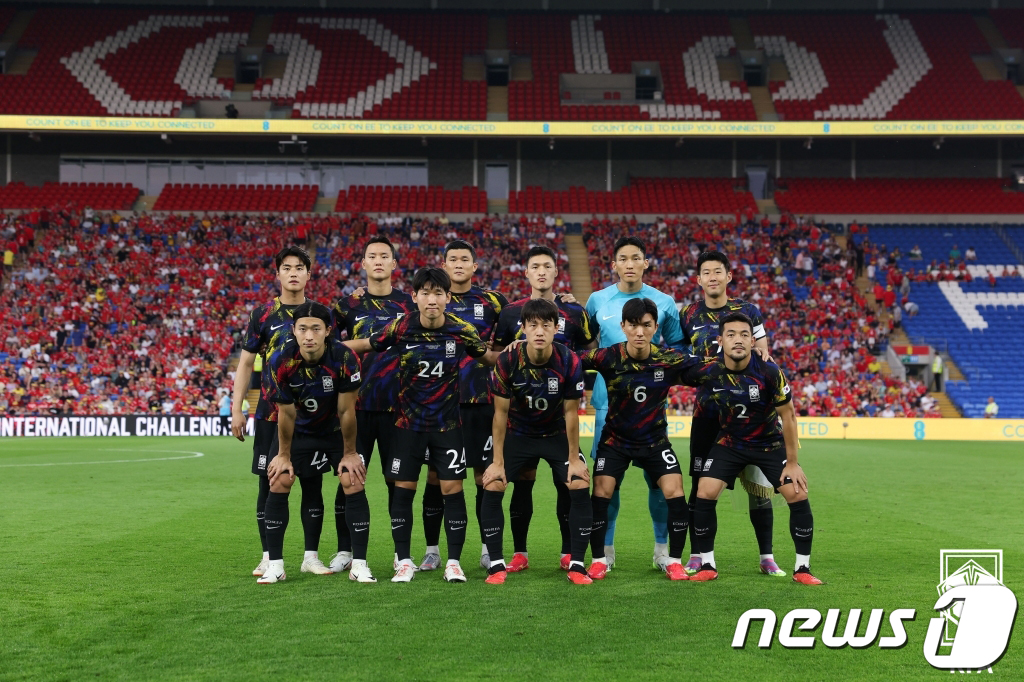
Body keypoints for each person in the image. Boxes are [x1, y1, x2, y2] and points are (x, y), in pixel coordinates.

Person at [343, 267, 501, 583]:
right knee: (403, 492)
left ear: (447, 298)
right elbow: (368, 345)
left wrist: (522, 352)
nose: (432, 299)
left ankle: (453, 563)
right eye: (425, 293)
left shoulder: (461, 330)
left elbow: (489, 359)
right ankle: (404, 561)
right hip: (407, 425)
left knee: (453, 490)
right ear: (415, 297)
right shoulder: (400, 327)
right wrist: (327, 347)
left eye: (438, 293)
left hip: (448, 426)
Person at [689, 312, 823, 586]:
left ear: (753, 341)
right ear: (720, 341)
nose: (737, 340)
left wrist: (793, 462)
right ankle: (707, 563)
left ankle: (803, 568)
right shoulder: (708, 371)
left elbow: (789, 416)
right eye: (731, 335)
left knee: (796, 493)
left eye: (744, 335)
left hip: (768, 444)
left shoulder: (769, 371)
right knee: (704, 491)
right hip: (729, 443)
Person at [491, 245, 599, 573]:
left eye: (547, 266)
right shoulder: (511, 312)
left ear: (556, 272)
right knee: (522, 482)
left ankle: (569, 552)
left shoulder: (573, 311)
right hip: (521, 419)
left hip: (557, 413)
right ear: (526, 273)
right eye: (534, 266)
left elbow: (588, 350)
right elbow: (497, 354)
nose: (541, 271)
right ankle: (520, 552)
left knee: (566, 481)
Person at [580, 298, 702, 581]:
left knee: (675, 491)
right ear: (622, 326)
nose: (639, 332)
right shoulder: (607, 356)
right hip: (615, 441)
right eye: (633, 325)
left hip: (655, 441)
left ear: (655, 327)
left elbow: (705, 367)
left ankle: (672, 559)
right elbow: (568, 358)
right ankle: (599, 559)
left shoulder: (667, 357)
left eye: (646, 325)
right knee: (600, 492)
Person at [679, 250, 782, 577]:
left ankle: (767, 557)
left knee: (759, 490)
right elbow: (681, 358)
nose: (712, 277)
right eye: (705, 272)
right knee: (700, 485)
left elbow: (764, 354)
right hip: (707, 414)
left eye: (717, 272)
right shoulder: (688, 314)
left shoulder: (747, 311)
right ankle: (698, 555)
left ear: (728, 276)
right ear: (698, 280)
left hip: (750, 417)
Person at [232, 246, 332, 578]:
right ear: (277, 274)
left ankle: (311, 556)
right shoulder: (262, 315)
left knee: (312, 484)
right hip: (270, 415)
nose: (293, 273)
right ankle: (267, 556)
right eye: (286, 267)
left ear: (308, 273)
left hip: (311, 416)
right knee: (268, 483)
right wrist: (238, 408)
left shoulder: (318, 313)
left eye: (299, 267)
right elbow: (246, 363)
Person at [585, 236, 684, 571]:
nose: (629, 264)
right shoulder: (597, 300)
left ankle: (661, 550)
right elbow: (585, 348)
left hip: (650, 409)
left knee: (659, 483)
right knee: (605, 485)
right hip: (606, 410)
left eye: (636, 258)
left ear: (646, 263)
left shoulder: (664, 302)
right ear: (613, 265)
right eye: (622, 259)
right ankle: (606, 552)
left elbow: (678, 349)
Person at [258, 302, 368, 584]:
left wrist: (350, 453)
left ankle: (360, 565)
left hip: (333, 430)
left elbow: (346, 411)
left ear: (328, 331)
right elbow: (286, 412)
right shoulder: (280, 360)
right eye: (303, 328)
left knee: (352, 479)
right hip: (300, 433)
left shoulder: (344, 357)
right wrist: (283, 455)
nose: (309, 335)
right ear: (293, 330)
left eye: (316, 329)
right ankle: (276, 565)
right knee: (279, 479)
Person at [416, 240, 508, 572]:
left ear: (474, 266)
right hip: (441, 406)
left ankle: (487, 548)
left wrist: (560, 299)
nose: (458, 264)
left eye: (464, 259)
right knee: (436, 477)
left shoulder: (494, 301)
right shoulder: (431, 299)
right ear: (443, 264)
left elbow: (521, 327)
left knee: (486, 476)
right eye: (452, 259)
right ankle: (432, 550)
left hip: (484, 403)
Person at [330, 236, 413, 573]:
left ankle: (399, 554)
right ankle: (345, 550)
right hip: (356, 409)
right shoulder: (346, 306)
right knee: (348, 478)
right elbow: (328, 349)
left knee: (398, 484)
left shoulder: (411, 304)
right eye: (371, 256)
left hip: (399, 409)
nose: (378, 261)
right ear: (362, 264)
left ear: (394, 264)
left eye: (385, 256)